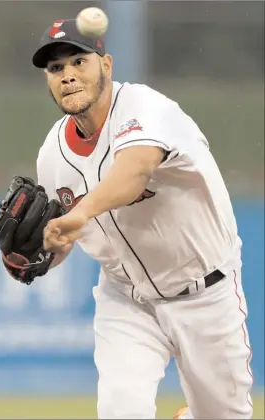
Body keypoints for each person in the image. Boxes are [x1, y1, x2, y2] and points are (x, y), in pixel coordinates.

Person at [32, 17, 253, 419]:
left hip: (205, 292)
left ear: (107, 65)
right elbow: (71, 231)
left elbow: (132, 174)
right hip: (127, 300)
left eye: (78, 61)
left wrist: (78, 213)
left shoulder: (145, 107)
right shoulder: (52, 156)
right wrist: (43, 250)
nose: (67, 75)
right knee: (121, 410)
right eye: (56, 68)